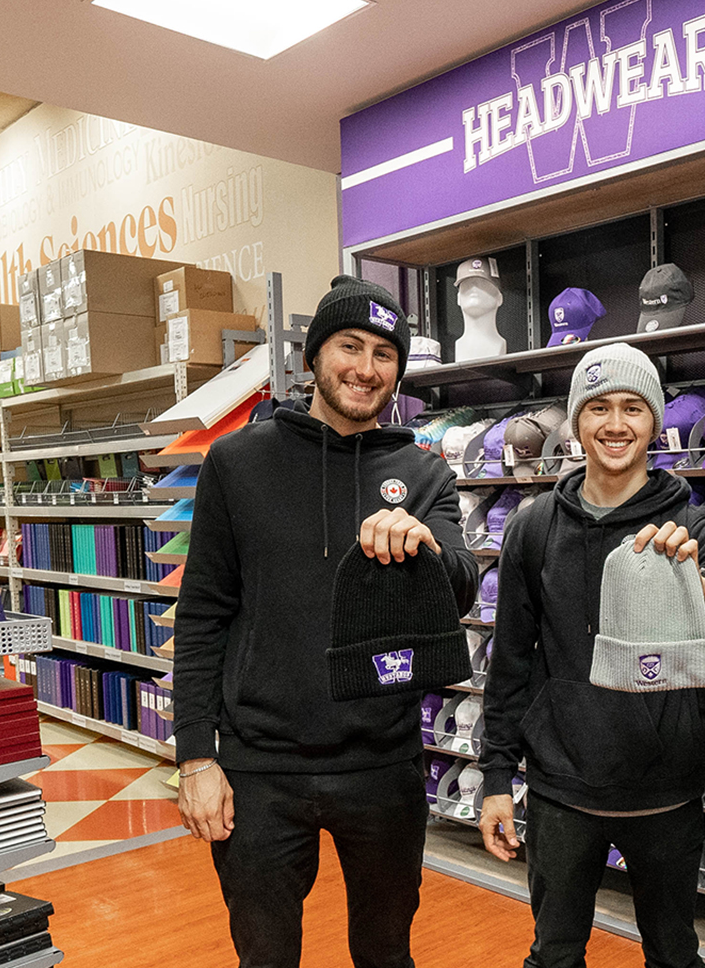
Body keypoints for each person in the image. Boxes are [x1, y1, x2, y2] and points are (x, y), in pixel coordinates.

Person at [173, 275, 479, 968]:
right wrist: (195, 755)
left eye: (383, 353)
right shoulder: (236, 463)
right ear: (313, 355)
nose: (365, 369)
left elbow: (459, 587)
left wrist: (424, 547)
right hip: (259, 768)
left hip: (383, 765)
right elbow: (202, 615)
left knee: (385, 953)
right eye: (349, 345)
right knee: (266, 957)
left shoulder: (424, 474)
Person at [478, 342, 705, 968]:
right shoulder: (533, 528)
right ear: (577, 421)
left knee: (673, 955)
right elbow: (511, 663)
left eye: (634, 408)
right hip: (561, 790)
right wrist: (497, 779)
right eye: (599, 407)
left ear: (656, 421)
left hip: (666, 791)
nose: (615, 424)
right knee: (554, 955)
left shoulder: (694, 527)